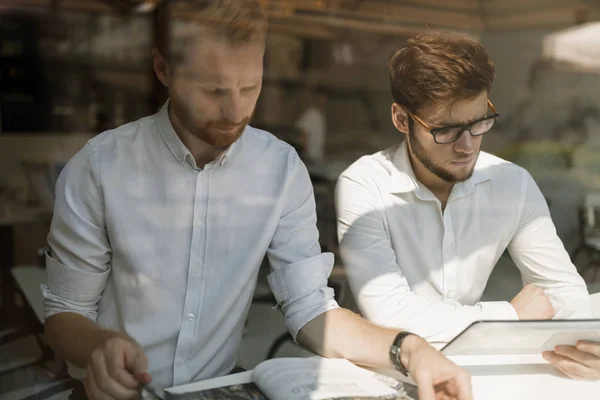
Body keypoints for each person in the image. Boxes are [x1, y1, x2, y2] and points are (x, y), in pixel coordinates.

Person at [41, 3, 471, 399]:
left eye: (250, 87)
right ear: (163, 69)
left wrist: (408, 349)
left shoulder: (280, 169)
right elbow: (62, 314)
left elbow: (309, 309)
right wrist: (100, 347)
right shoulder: (100, 168)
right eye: (213, 91)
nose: (235, 112)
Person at [335, 31, 593, 362]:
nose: (467, 146)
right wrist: (509, 317)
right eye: (446, 130)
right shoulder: (364, 184)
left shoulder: (511, 184)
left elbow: (564, 289)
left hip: (469, 365)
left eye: (478, 122)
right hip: (377, 371)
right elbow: (389, 315)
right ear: (401, 119)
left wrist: (581, 350)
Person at [295, 86, 328, 163]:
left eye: (324, 98)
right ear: (315, 98)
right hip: (309, 159)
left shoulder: (320, 116)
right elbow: (303, 135)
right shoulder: (310, 114)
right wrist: (305, 156)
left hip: (317, 158)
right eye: (320, 98)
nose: (323, 100)